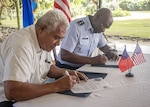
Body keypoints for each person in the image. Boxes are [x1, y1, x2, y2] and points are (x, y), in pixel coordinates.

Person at [0, 9, 88, 107]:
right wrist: (56, 86)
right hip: (8, 101)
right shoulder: (21, 45)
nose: (58, 44)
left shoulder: (42, 41)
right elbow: (12, 91)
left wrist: (65, 72)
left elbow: (46, 67)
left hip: (30, 94)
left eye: (61, 39)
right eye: (56, 37)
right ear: (42, 29)